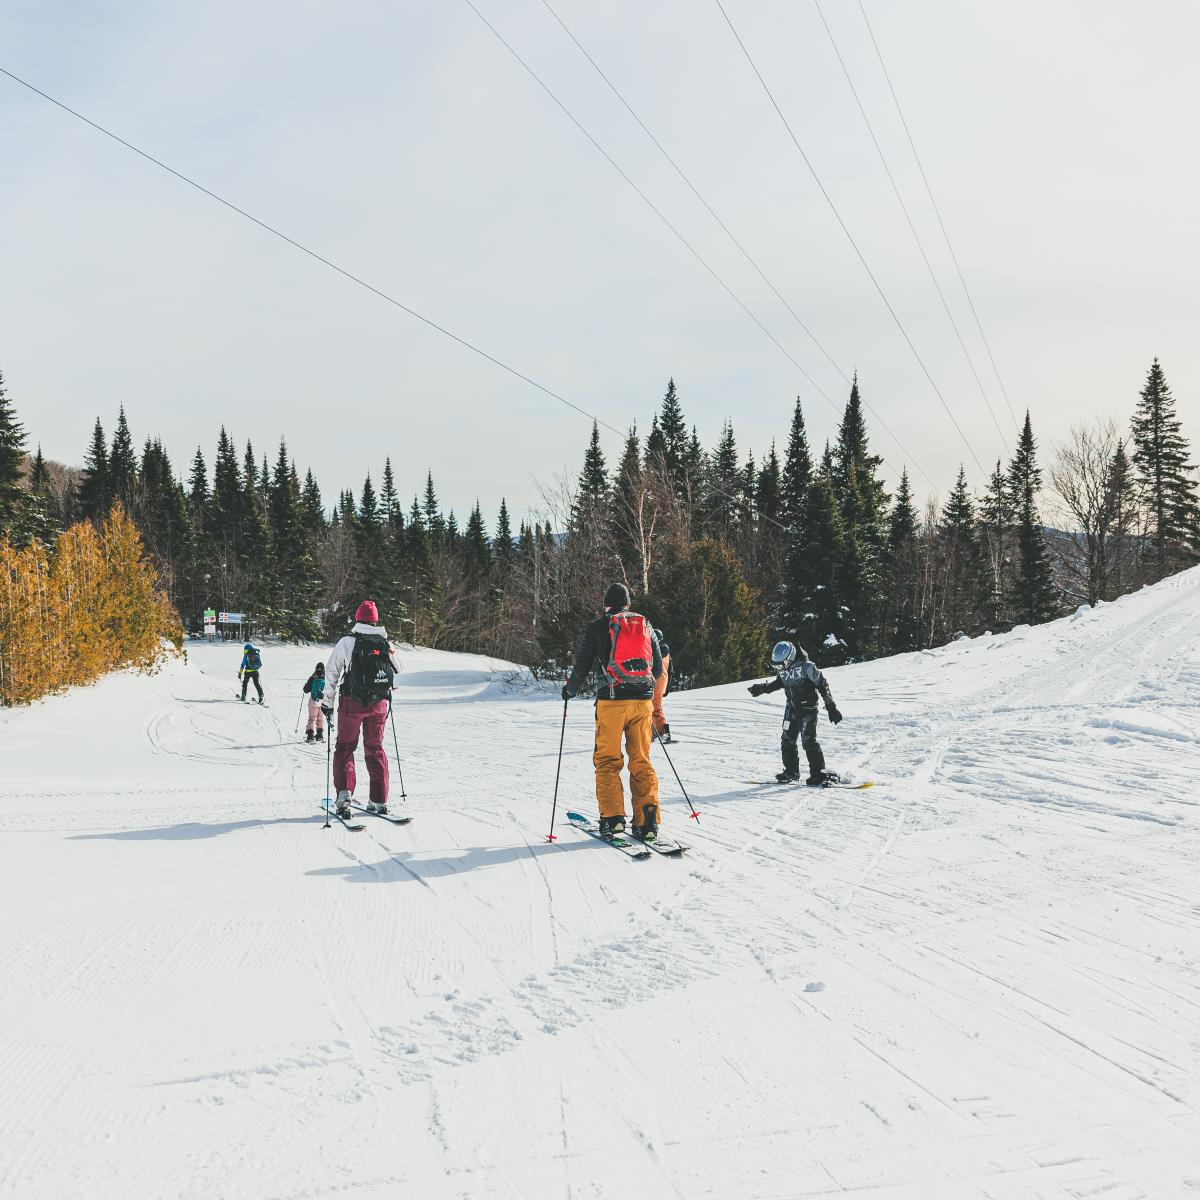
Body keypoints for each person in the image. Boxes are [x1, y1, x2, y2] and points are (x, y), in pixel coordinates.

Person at [563, 582, 663, 841]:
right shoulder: (645, 624)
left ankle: (613, 819)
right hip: (642, 703)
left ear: (606, 604)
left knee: (607, 761)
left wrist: (569, 691)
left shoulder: (597, 627)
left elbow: (582, 665)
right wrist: (645, 693)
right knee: (641, 761)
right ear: (628, 604)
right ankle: (648, 822)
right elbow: (658, 669)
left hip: (611, 702)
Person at [321, 600, 399, 817]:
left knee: (345, 748)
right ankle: (379, 800)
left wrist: (327, 703)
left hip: (352, 703)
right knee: (375, 748)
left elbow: (332, 673)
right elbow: (398, 668)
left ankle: (344, 796)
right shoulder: (386, 642)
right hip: (379, 705)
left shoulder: (347, 642)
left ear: (357, 618)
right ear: (375, 620)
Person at [747, 641, 842, 785]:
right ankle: (791, 772)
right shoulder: (783, 668)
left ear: (790, 657)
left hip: (808, 709)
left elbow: (822, 684)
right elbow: (781, 682)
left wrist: (831, 707)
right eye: (777, 666)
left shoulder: (807, 667)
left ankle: (818, 774)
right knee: (787, 739)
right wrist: (763, 688)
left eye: (781, 665)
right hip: (791, 708)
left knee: (808, 741)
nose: (779, 668)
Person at [652, 629, 672, 744]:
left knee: (655, 708)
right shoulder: (667, 651)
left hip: (656, 681)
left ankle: (664, 733)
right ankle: (657, 732)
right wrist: (667, 687)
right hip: (663, 681)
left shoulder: (656, 650)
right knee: (655, 707)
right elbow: (671, 669)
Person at [301, 662, 327, 743]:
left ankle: (310, 736)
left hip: (313, 700)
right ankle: (319, 735)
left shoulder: (312, 678)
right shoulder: (327, 677)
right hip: (323, 701)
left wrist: (306, 685)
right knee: (320, 718)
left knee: (312, 718)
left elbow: (306, 690)